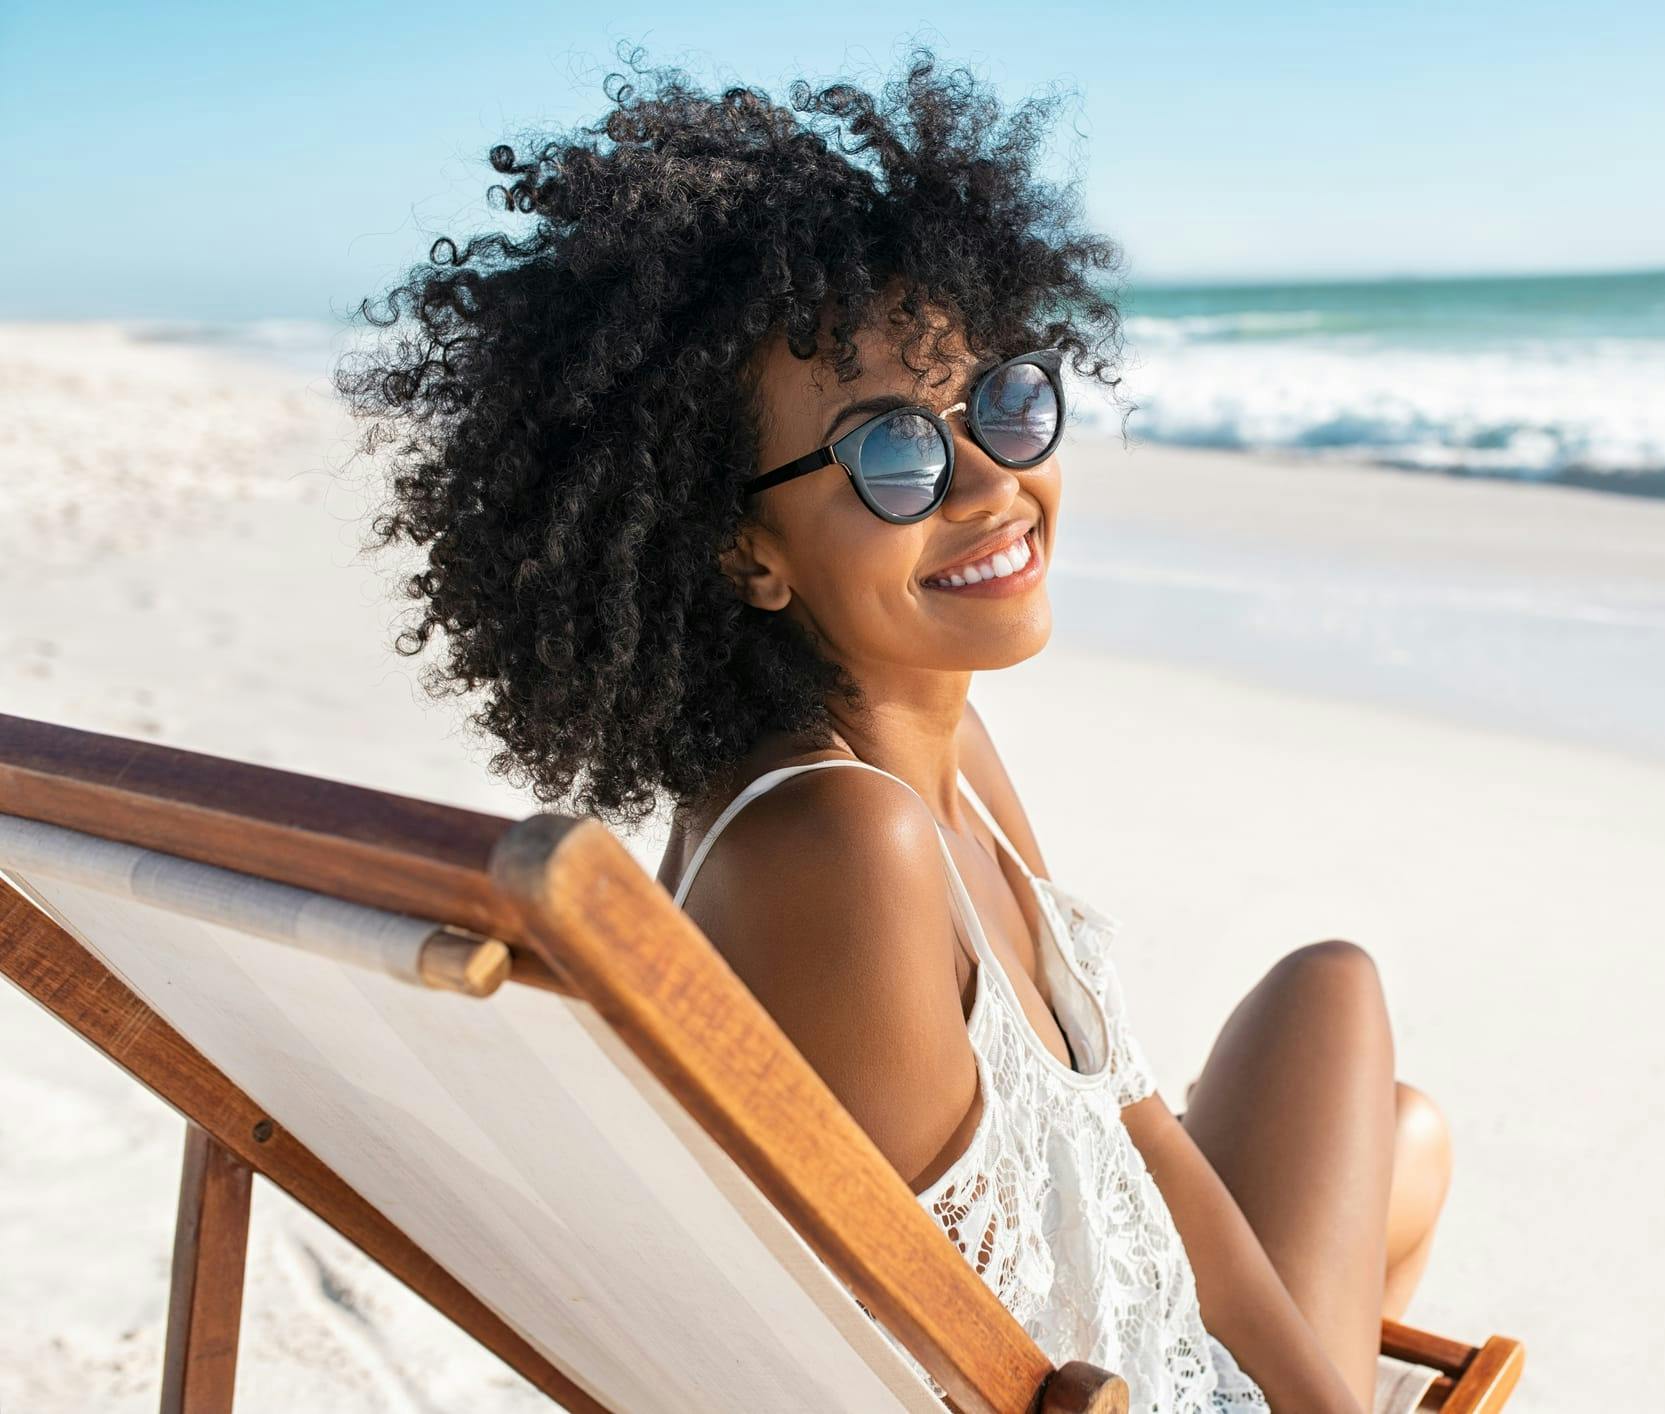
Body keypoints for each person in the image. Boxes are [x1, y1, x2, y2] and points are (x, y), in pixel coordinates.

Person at [336, 43, 1450, 1412]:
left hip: (1112, 1314)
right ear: (748, 551)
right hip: (1086, 1391)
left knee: (1381, 1098)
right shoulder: (839, 837)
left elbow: (1127, 1118)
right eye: (890, 449)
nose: (988, 481)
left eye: (997, 399)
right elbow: (909, 1364)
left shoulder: (930, 748)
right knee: (1367, 1073)